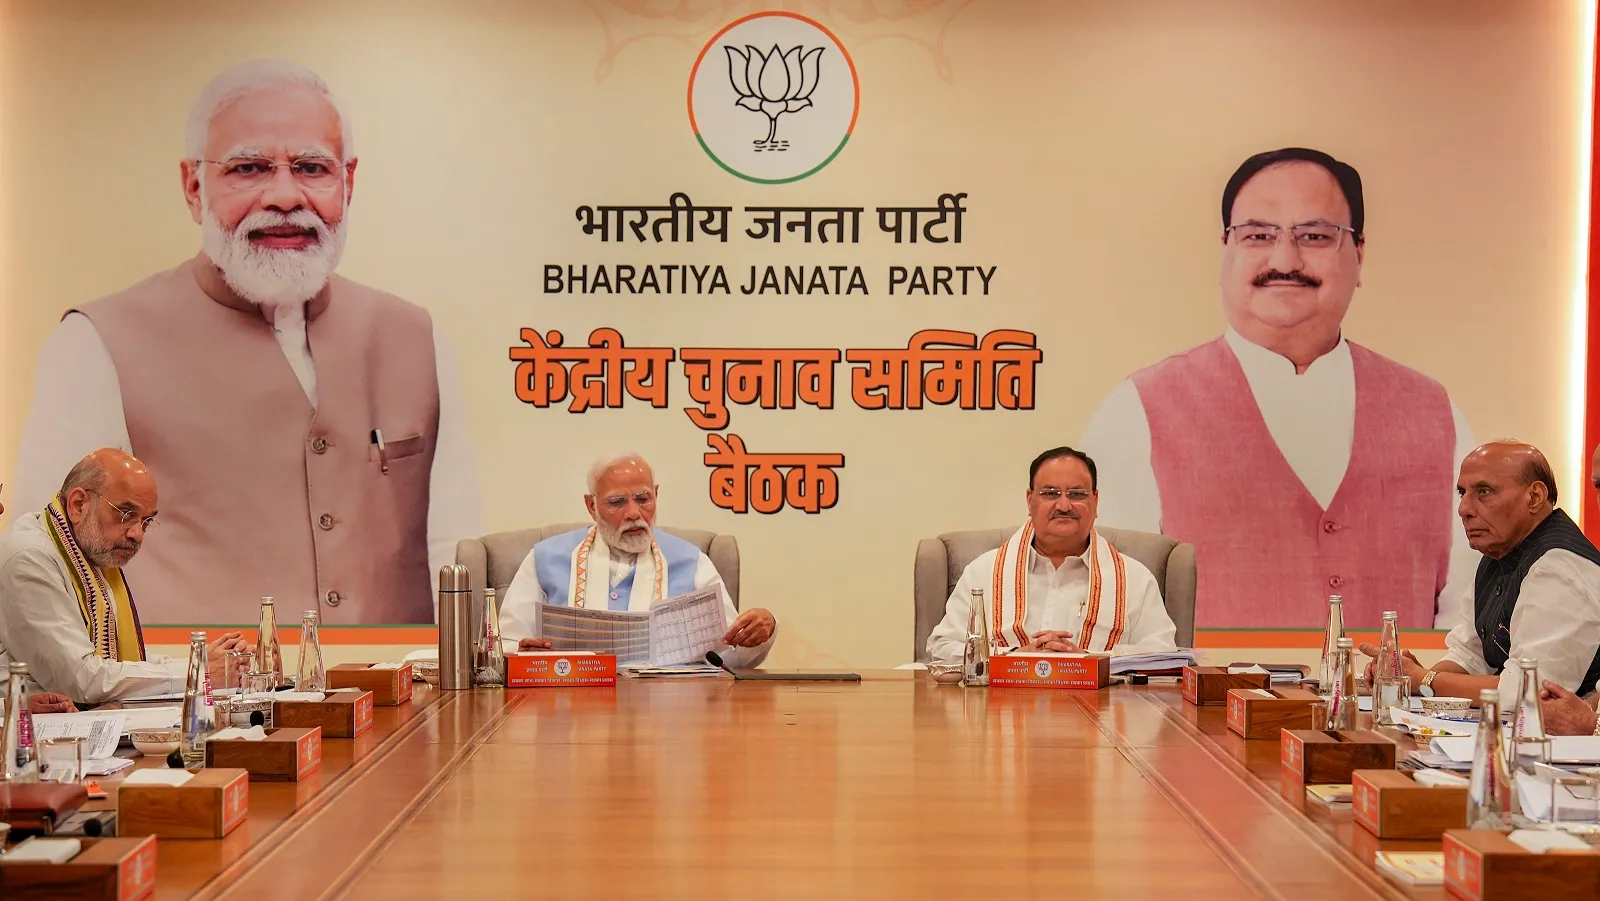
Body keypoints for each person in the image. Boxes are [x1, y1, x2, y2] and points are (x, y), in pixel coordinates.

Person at [9, 59, 481, 624]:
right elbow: (46, 571)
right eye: (249, 168)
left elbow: (454, 548)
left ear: (348, 181)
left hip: (399, 695)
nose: (285, 197)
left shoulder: (416, 337)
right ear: (193, 185)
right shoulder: (95, 343)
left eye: (311, 168)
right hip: (187, 701)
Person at [1078, 147, 1477, 631]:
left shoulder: (1435, 413)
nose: (1284, 259)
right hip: (1206, 704)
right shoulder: (1137, 411)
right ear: (1226, 248)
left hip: (1395, 705)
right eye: (1258, 235)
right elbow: (1112, 609)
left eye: (1314, 235)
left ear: (1359, 252)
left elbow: (1468, 611)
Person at [1359, 442, 1600, 722]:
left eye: (1484, 492)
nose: (1464, 509)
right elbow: (1470, 655)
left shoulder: (1560, 565)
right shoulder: (1501, 551)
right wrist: (1410, 679)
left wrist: (1425, 678)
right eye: (1463, 493)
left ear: (1534, 497)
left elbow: (1526, 691)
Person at [0, 449, 250, 704]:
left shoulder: (85, 550)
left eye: (146, 521)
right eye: (125, 515)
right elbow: (82, 679)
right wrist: (198, 672)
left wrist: (209, 662)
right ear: (78, 505)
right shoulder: (30, 557)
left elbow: (116, 660)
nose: (137, 535)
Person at [499, 452, 778, 667]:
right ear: (591, 505)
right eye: (617, 502)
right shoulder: (546, 559)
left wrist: (761, 631)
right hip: (568, 717)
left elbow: (728, 655)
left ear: (656, 494)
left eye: (643, 498)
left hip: (668, 722)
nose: (634, 513)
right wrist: (522, 654)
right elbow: (504, 646)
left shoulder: (693, 562)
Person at [927, 447, 1179, 665]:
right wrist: (1014, 659)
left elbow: (1163, 654)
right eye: (1050, 493)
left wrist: (1089, 661)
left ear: (1095, 501)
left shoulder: (1133, 578)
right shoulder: (984, 572)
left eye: (1077, 494)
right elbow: (941, 648)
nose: (1064, 505)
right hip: (999, 714)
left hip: (1100, 713)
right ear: (1029, 500)